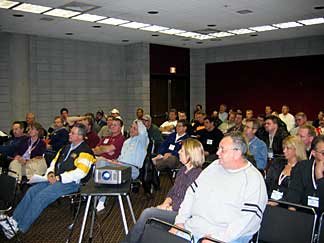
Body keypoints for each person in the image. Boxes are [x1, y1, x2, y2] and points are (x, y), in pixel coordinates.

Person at [0, 124, 96, 239]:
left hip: (71, 183)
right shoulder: (66, 148)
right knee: (32, 191)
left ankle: (19, 227)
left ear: (80, 137)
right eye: (70, 132)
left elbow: (80, 173)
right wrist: (50, 173)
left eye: (73, 133)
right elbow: (54, 163)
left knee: (41, 197)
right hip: (55, 178)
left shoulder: (86, 152)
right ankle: (13, 220)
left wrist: (59, 178)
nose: (69, 134)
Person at [170, 132, 268, 243]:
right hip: (194, 228)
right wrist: (180, 221)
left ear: (237, 153)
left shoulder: (253, 179)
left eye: (222, 149)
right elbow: (191, 194)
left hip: (228, 237)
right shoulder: (214, 166)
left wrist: (219, 238)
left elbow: (248, 219)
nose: (217, 153)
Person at [121, 138, 204, 243]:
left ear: (190, 155)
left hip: (181, 214)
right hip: (172, 208)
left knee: (148, 213)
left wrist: (170, 208)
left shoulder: (197, 175)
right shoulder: (183, 170)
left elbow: (190, 202)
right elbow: (173, 190)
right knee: (149, 224)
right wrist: (166, 202)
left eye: (182, 150)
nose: (178, 152)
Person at [95, 120, 149, 212]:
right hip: (120, 165)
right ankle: (100, 199)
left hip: (133, 169)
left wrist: (137, 121)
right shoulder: (127, 141)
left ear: (140, 130)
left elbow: (143, 132)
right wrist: (114, 161)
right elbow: (122, 157)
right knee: (100, 162)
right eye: (131, 127)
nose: (131, 129)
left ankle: (99, 199)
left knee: (102, 163)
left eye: (135, 128)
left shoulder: (142, 140)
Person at [286, 135, 324, 210]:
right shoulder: (302, 167)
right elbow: (294, 193)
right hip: (304, 214)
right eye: (323, 153)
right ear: (313, 153)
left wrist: (319, 176)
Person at [265, 136, 307, 201]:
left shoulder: (303, 168)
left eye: (288, 148)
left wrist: (279, 202)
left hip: (288, 203)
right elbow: (268, 182)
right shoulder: (277, 163)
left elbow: (298, 192)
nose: (284, 151)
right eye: (284, 148)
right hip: (270, 199)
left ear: (297, 150)